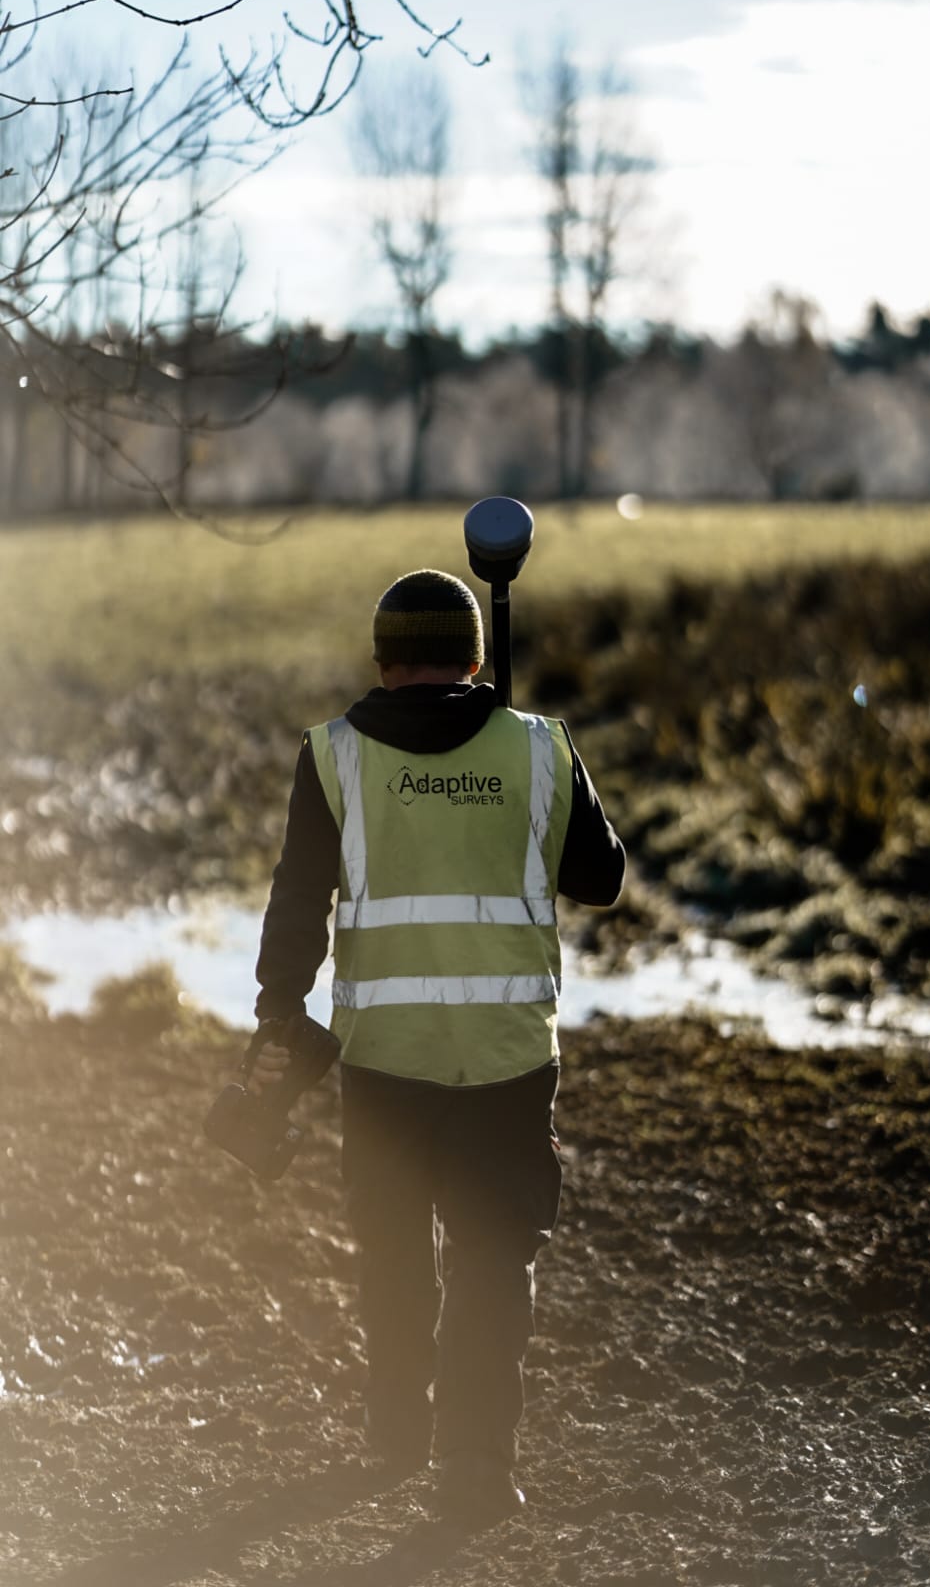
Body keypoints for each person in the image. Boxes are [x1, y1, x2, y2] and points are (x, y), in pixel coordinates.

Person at [247, 567, 625, 1525]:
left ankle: (394, 1433)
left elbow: (299, 900)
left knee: (391, 1253)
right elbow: (602, 878)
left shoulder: (332, 756)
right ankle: (476, 1462)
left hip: (382, 1056)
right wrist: (524, 784)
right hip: (505, 1053)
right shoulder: (539, 747)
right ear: (474, 655)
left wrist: (275, 1017)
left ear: (382, 658)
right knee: (494, 1256)